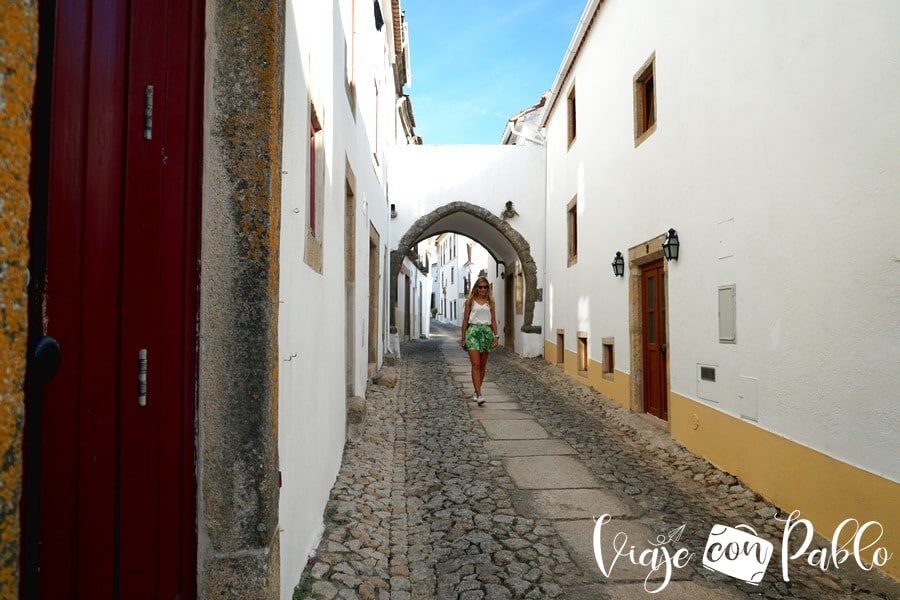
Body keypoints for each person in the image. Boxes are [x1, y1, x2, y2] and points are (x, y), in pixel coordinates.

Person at [460, 276, 499, 405]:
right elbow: (465, 320)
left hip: (486, 333)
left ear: (488, 288)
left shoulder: (491, 302)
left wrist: (496, 336)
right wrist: (463, 337)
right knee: (475, 364)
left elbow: (493, 320)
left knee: (482, 366)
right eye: (480, 287)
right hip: (473, 332)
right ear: (476, 288)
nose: (483, 289)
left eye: (485, 287)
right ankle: (480, 394)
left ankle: (477, 391)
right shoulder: (470, 301)